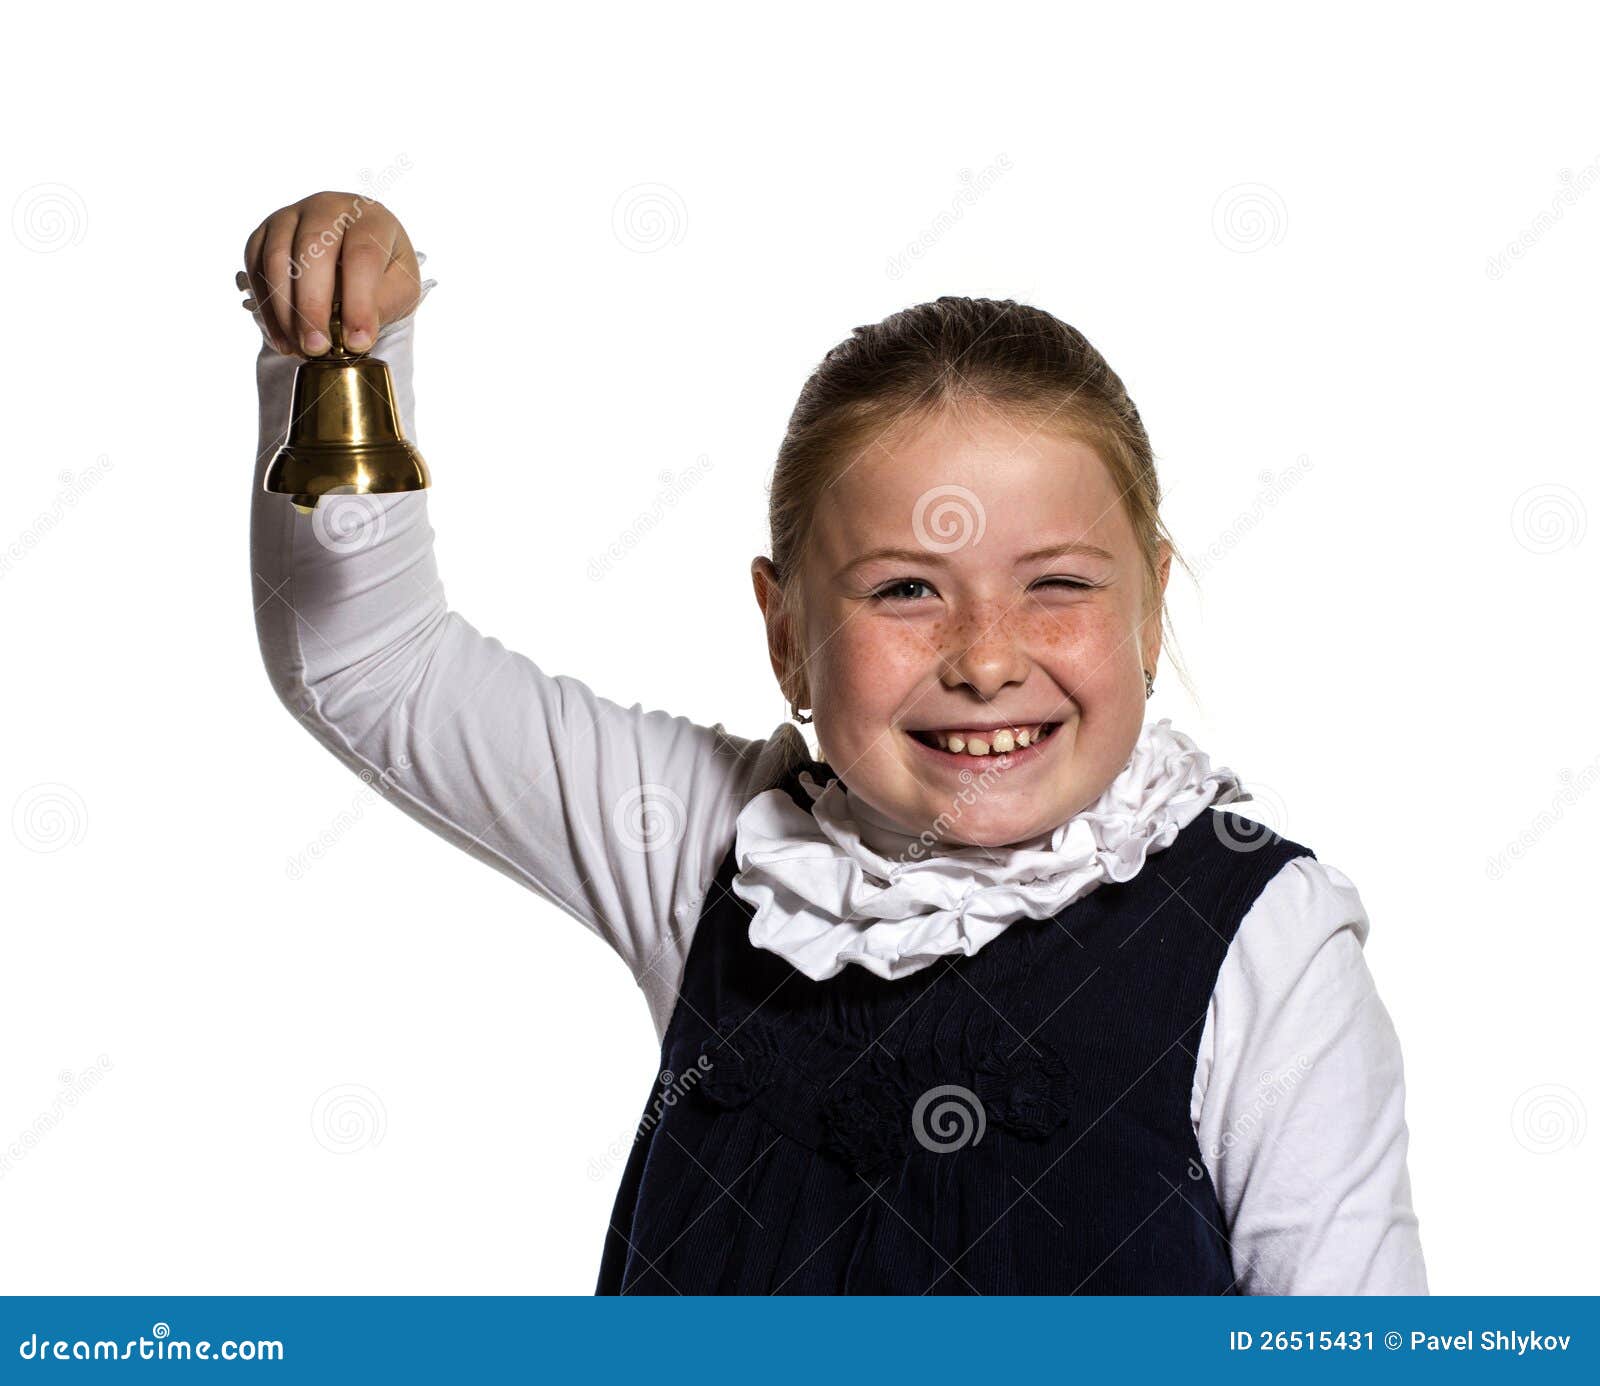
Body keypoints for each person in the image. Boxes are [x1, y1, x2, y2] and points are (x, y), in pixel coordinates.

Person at [241, 191, 1428, 1295]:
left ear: (1151, 611)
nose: (985, 659)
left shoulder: (1263, 942)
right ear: (786, 635)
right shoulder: (717, 853)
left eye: (1057, 583)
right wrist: (343, 358)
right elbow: (371, 667)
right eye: (905, 589)